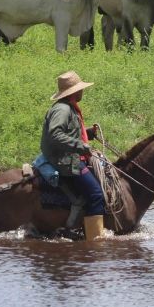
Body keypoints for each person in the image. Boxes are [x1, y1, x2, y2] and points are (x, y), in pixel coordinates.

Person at [40, 70, 105, 240]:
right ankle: (94, 239)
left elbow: (69, 131)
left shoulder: (68, 107)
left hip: (69, 155)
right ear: (74, 91)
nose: (82, 91)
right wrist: (80, 145)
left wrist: (87, 133)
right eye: (80, 89)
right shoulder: (62, 110)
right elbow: (55, 134)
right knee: (97, 194)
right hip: (65, 160)